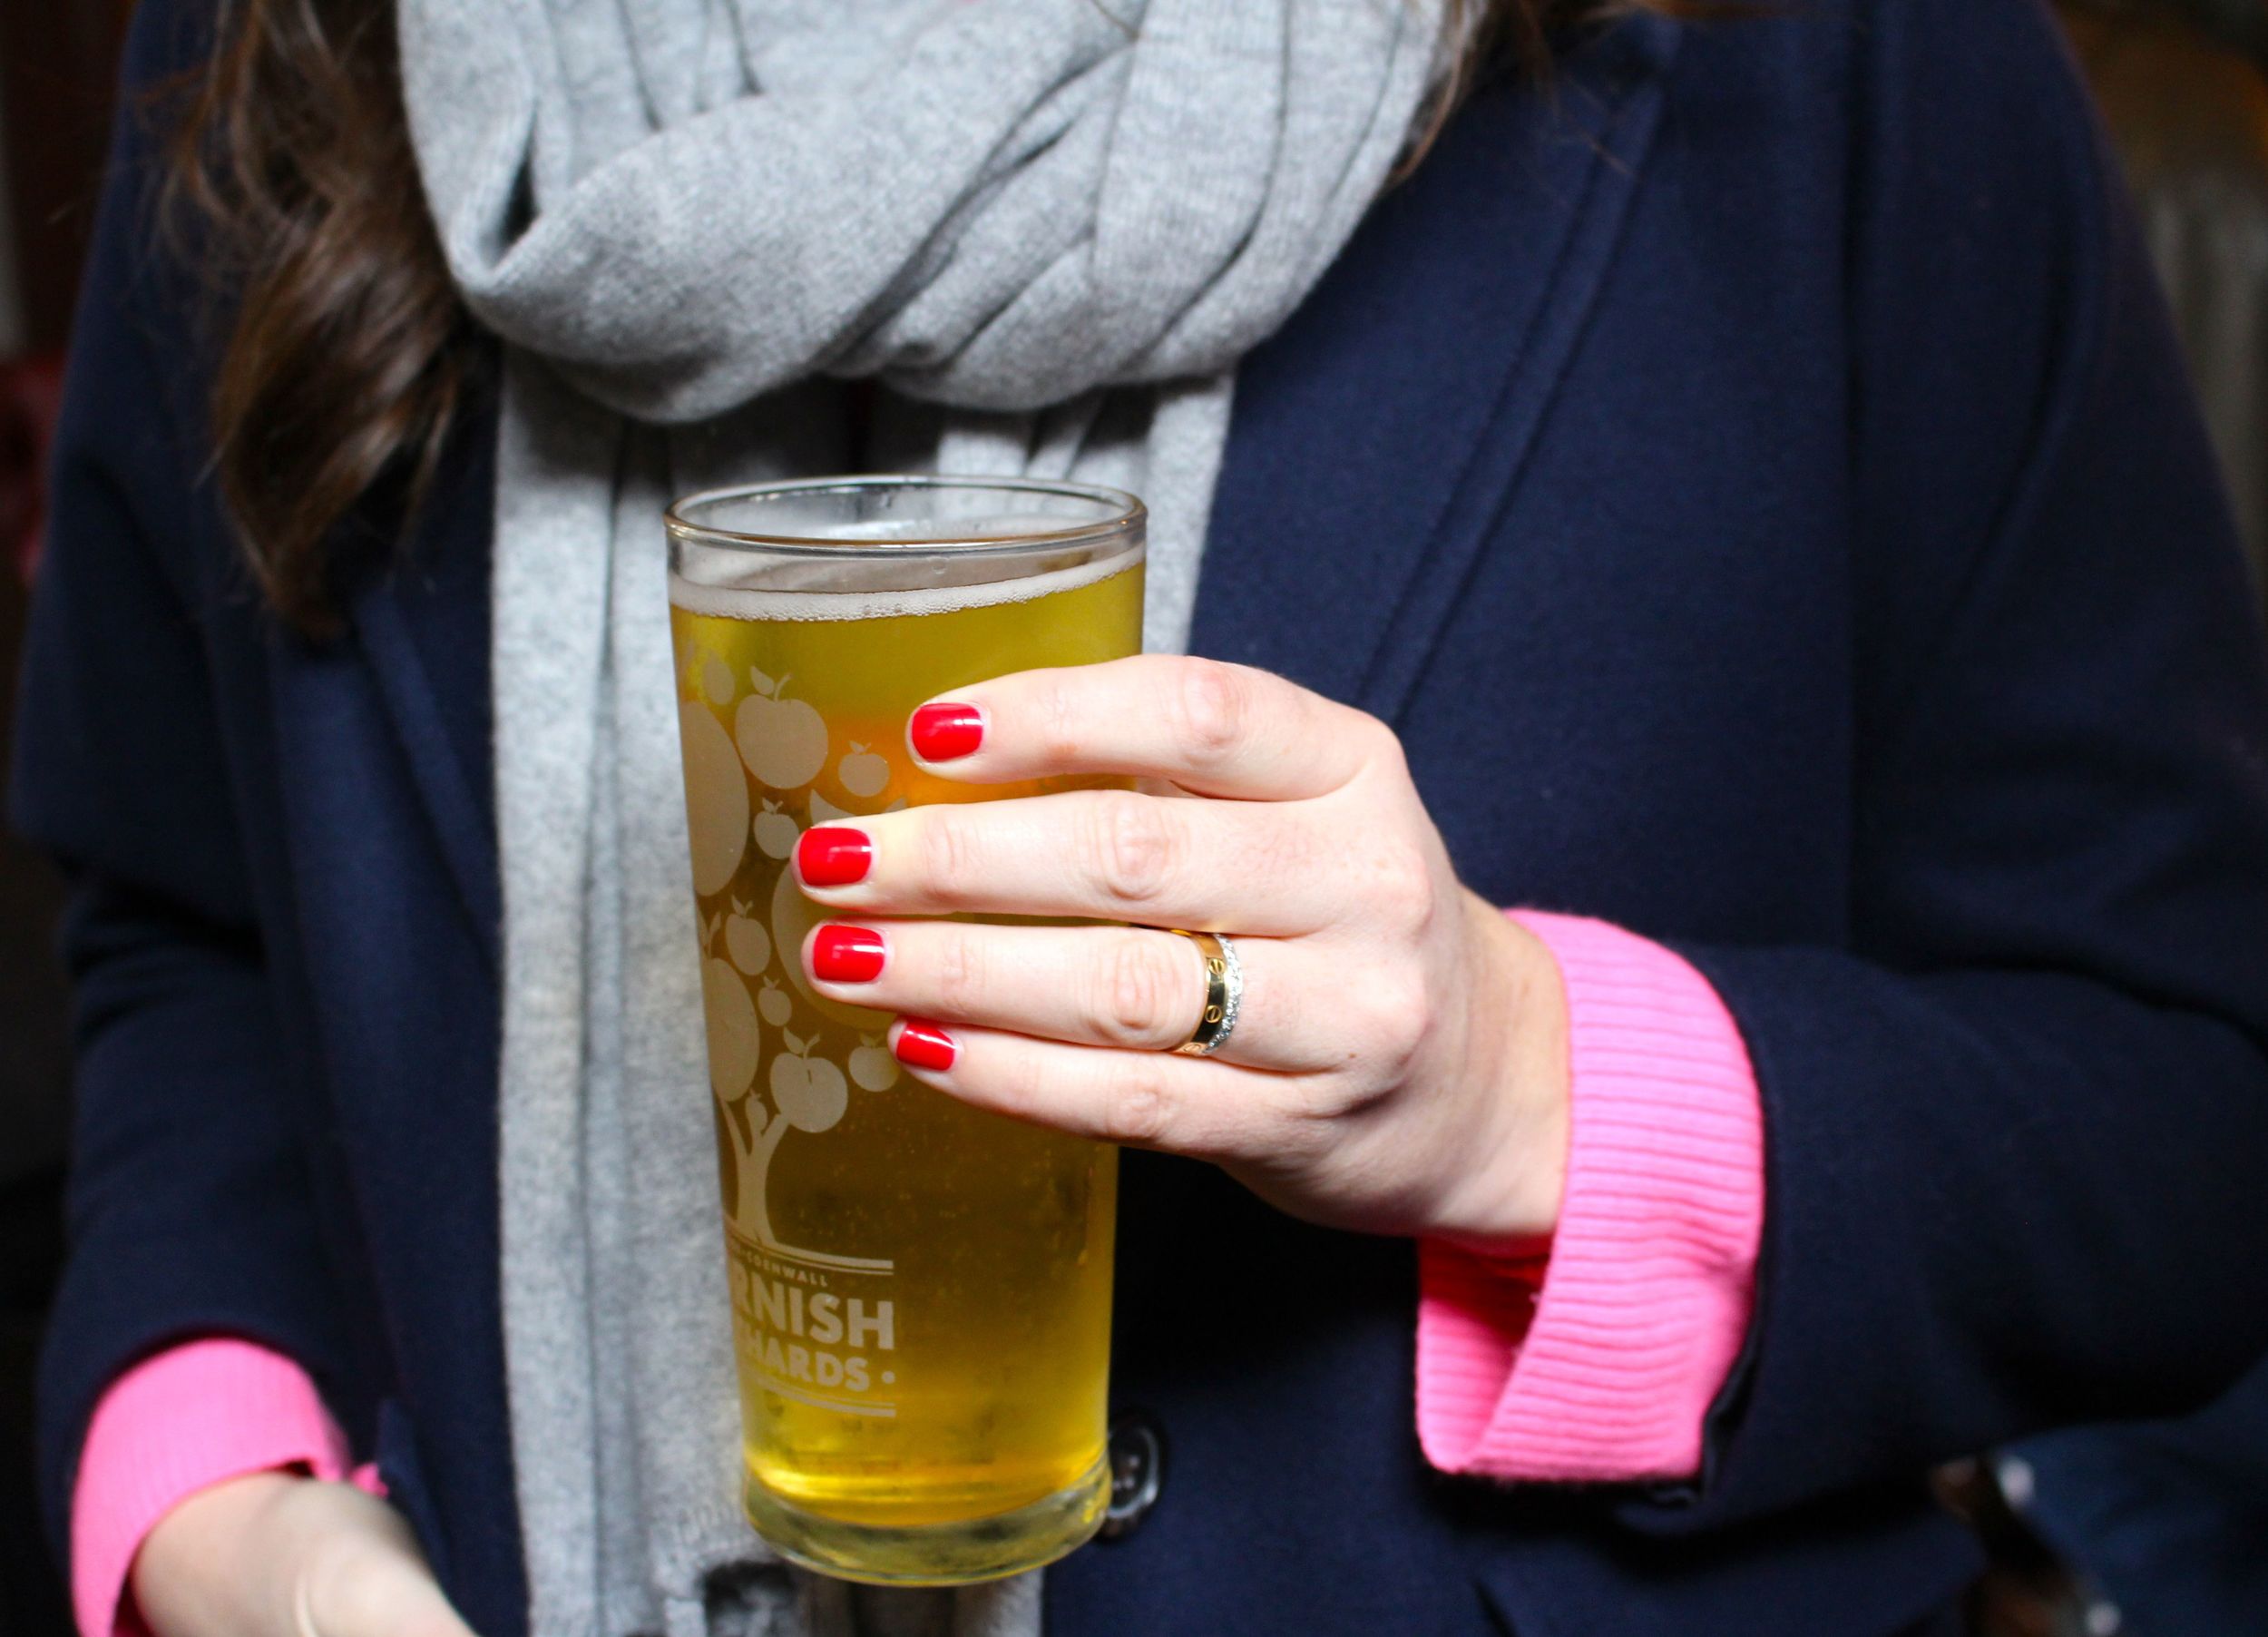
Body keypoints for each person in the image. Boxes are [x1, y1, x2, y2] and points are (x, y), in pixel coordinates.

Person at [14, 0, 2268, 1633]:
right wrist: (218, 1499)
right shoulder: (291, 45)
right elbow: (187, 925)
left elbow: (2184, 1102)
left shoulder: (1820, 54)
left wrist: (1527, 1089)